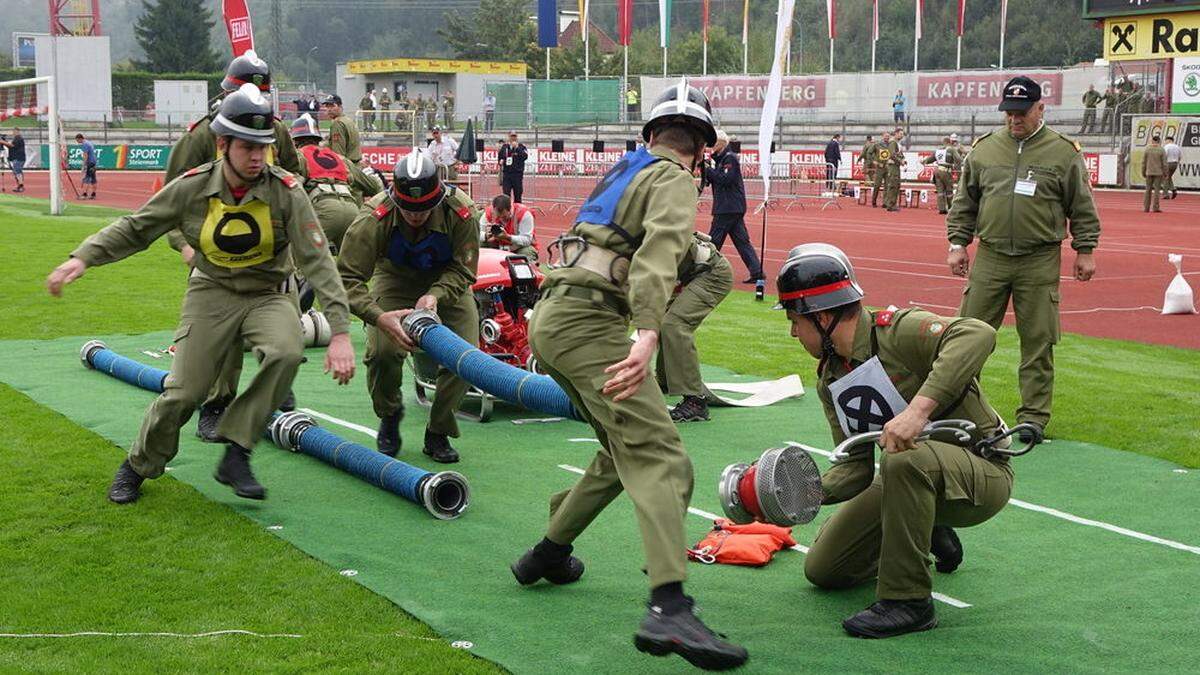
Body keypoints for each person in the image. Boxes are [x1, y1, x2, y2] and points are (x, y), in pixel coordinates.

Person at [511, 82, 748, 670]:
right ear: (703, 149)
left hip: (556, 315)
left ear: (650, 135)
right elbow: (660, 252)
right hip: (592, 324)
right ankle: (669, 607)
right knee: (662, 458)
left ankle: (546, 553)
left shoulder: (629, 168)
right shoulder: (673, 178)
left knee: (620, 454)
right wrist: (647, 335)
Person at [47, 84, 356, 505]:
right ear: (223, 144)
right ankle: (138, 465)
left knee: (285, 352)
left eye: (263, 147)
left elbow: (318, 260)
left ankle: (238, 450)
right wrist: (83, 257)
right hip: (211, 291)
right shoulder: (192, 187)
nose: (256, 156)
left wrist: (339, 332)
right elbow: (138, 227)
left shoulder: (287, 191)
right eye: (246, 146)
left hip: (267, 293)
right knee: (184, 394)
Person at [777, 243, 1014, 639]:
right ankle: (922, 526)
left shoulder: (897, 331)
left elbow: (978, 333)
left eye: (794, 321)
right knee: (825, 569)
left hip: (982, 470)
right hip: (911, 475)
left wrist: (917, 411)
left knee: (904, 461)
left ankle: (908, 602)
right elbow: (854, 470)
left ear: (820, 317)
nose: (792, 333)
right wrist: (794, 495)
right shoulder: (831, 380)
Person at [947, 76, 1100, 441]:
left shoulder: (1064, 153)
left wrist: (1086, 250)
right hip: (991, 255)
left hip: (1039, 258)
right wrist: (957, 243)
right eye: (1009, 113)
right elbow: (964, 203)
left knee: (1038, 341)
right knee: (967, 336)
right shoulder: (984, 150)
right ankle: (959, 410)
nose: (1014, 120)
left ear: (1040, 109)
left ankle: (1032, 418)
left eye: (1022, 113)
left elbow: (1082, 206)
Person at [162, 50, 305, 440]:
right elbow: (169, 196)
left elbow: (296, 174)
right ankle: (217, 402)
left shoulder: (276, 131)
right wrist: (183, 245)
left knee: (284, 315)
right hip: (217, 248)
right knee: (222, 335)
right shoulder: (202, 136)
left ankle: (276, 380)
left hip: (270, 249)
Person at [337, 151, 480, 463]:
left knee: (467, 357)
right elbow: (347, 278)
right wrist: (378, 316)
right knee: (382, 352)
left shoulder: (462, 213)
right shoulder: (373, 218)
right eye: (408, 209)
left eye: (425, 208)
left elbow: (465, 270)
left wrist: (436, 296)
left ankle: (439, 428)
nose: (416, 215)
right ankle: (389, 413)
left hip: (447, 282)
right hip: (394, 278)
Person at [655, 232, 733, 423]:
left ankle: (695, 401)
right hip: (688, 274)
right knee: (660, 322)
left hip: (711, 274)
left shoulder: (657, 233)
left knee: (674, 324)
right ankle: (664, 383)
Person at [290, 114, 384, 248]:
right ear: (318, 139)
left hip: (323, 210)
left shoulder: (298, 157)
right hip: (351, 210)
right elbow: (373, 186)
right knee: (350, 266)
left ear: (294, 141)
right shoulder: (339, 158)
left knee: (300, 258)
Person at [704, 130, 764, 284]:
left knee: (714, 241)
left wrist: (707, 169)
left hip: (727, 207)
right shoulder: (722, 159)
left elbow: (725, 179)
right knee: (742, 241)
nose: (710, 146)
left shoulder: (729, 158)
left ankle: (704, 271)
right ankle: (757, 272)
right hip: (732, 207)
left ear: (721, 143)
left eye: (713, 143)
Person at [479, 194, 537, 261]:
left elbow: (527, 240)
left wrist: (508, 237)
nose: (501, 219)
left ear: (510, 210)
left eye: (504, 217)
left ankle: (524, 269)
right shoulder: (488, 213)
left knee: (527, 252)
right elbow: (476, 234)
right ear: (494, 209)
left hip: (518, 248)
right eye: (498, 216)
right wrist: (486, 236)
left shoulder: (524, 213)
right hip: (496, 246)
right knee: (479, 245)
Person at [921, 135, 962, 215]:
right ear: (950, 142)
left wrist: (923, 161)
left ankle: (942, 209)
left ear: (943, 143)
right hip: (946, 172)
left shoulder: (938, 150)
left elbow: (929, 159)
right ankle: (951, 208)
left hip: (937, 171)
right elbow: (958, 160)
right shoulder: (952, 150)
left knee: (940, 191)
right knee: (949, 190)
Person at [322, 94, 362, 164]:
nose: (329, 109)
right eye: (327, 106)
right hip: (355, 165)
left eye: (332, 106)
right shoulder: (348, 121)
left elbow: (338, 155)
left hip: (346, 168)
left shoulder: (337, 124)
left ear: (340, 107)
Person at [497, 131, 527, 203]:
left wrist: (517, 148)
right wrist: (500, 161)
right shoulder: (505, 147)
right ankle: (508, 212)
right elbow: (500, 157)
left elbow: (525, 156)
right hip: (507, 175)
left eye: (514, 136)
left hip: (517, 175)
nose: (513, 138)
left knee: (518, 195)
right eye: (511, 136)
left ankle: (518, 212)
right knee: (506, 195)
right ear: (509, 137)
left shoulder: (522, 147)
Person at [1142, 134, 1167, 214]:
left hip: (1149, 172)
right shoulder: (1161, 150)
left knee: (1148, 190)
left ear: (1152, 141)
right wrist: (1165, 172)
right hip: (1158, 173)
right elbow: (1164, 163)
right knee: (1157, 191)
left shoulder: (1147, 149)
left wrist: (1143, 171)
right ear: (1159, 141)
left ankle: (1146, 207)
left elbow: (1143, 162)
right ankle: (1155, 207)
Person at [881, 130, 904, 212]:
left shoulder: (898, 144)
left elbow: (900, 154)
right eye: (901, 134)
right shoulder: (892, 143)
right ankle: (890, 204)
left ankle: (893, 203)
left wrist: (903, 160)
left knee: (897, 185)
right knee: (893, 185)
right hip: (892, 166)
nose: (902, 136)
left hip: (896, 165)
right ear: (896, 134)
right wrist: (900, 161)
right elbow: (892, 154)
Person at [871, 130, 891, 208]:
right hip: (879, 167)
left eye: (888, 136)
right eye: (886, 136)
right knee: (877, 185)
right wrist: (874, 161)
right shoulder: (877, 144)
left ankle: (885, 202)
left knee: (887, 186)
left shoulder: (891, 145)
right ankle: (874, 201)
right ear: (882, 136)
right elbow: (869, 153)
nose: (887, 137)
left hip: (888, 167)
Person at [75, 133, 98, 199]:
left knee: (87, 178)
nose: (78, 142)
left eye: (77, 140)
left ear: (80, 138)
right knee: (93, 179)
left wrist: (84, 165)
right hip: (93, 162)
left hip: (90, 163)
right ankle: (93, 194)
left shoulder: (85, 144)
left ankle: (84, 194)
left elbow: (85, 155)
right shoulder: (89, 142)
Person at [1163, 134, 1181, 199]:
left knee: (1165, 178)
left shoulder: (1167, 146)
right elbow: (1180, 156)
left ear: (1168, 140)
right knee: (1168, 177)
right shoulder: (1177, 147)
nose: (1165, 142)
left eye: (1166, 140)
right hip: (1175, 163)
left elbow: (1164, 156)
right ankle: (1173, 189)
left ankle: (1166, 194)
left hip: (1168, 163)